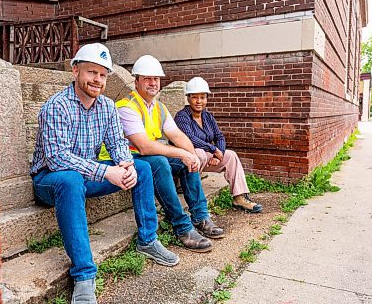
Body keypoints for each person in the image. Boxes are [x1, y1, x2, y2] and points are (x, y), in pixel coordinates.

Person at [30, 44, 179, 304]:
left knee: (142, 167)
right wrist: (105, 171)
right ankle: (85, 275)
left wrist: (125, 165)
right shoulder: (57, 105)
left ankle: (148, 240)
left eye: (102, 74)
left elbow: (117, 144)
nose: (97, 80)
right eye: (91, 72)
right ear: (75, 71)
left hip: (87, 176)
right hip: (51, 181)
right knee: (70, 178)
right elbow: (56, 159)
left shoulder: (107, 107)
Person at [101, 55, 224, 253]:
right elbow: (144, 147)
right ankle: (182, 226)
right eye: (147, 78)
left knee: (183, 160)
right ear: (137, 81)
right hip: (119, 159)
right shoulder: (126, 107)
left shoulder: (159, 108)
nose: (153, 83)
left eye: (156, 79)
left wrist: (191, 155)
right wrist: (182, 154)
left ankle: (201, 216)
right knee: (159, 162)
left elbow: (177, 135)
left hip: (144, 156)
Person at [174, 77, 263, 213]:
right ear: (188, 98)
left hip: (206, 156)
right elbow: (189, 139)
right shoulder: (182, 117)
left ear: (206, 99)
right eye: (195, 97)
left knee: (231, 155)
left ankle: (239, 198)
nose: (199, 101)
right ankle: (193, 192)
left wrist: (219, 153)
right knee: (199, 153)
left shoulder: (208, 116)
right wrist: (213, 149)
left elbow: (219, 136)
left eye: (202, 97)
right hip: (185, 159)